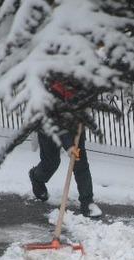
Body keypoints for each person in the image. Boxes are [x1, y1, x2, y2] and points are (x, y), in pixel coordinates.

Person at [28, 81, 103, 218]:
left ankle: (87, 202)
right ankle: (36, 177)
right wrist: (70, 147)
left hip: (74, 125)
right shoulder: (53, 94)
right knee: (51, 163)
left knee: (80, 163)